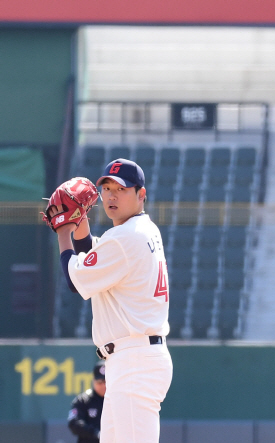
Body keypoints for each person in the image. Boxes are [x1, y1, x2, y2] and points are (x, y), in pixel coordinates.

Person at [49, 158, 172, 443]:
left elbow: (75, 278)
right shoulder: (139, 230)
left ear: (141, 194)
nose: (111, 195)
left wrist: (63, 231)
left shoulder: (124, 237)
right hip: (133, 359)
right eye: (106, 188)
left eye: (121, 188)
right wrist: (79, 225)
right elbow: (96, 255)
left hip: (134, 360)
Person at [68, 360, 106, 443]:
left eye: (106, 382)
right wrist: (95, 433)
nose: (103, 385)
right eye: (100, 382)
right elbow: (74, 423)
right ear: (93, 381)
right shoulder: (83, 400)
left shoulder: (116, 401)